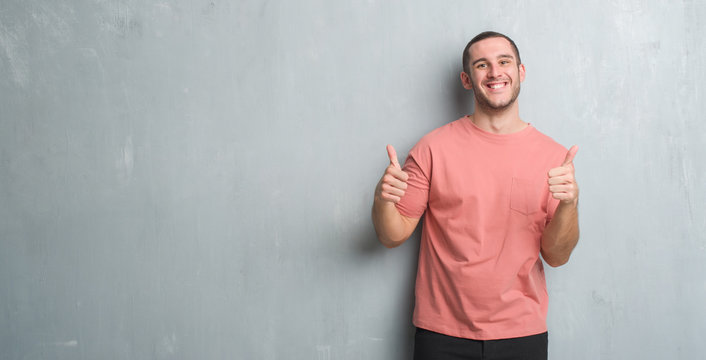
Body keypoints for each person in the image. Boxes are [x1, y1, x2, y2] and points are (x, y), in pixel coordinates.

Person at [371, 31, 579, 360]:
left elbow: (557, 255)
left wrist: (569, 205)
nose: (495, 72)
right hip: (442, 334)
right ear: (467, 80)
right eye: (482, 65)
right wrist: (382, 200)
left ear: (521, 72)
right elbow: (391, 235)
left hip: (521, 332)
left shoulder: (554, 157)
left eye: (504, 62)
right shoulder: (432, 148)